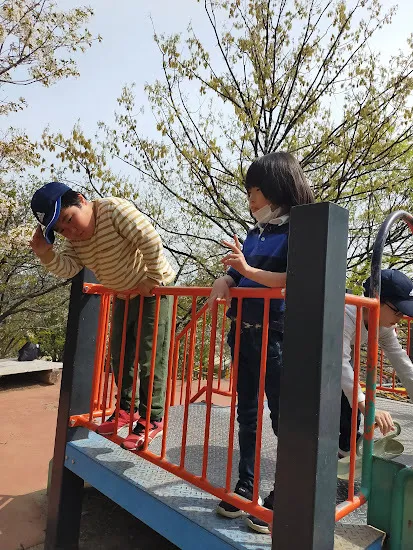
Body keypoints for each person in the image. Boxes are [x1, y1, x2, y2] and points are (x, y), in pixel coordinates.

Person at [208, 152, 314, 534]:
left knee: (282, 416)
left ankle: (283, 493)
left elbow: (289, 280)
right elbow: (242, 276)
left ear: (278, 189)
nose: (250, 200)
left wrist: (247, 271)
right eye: (249, 192)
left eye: (256, 191)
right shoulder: (255, 233)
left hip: (278, 335)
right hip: (245, 331)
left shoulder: (300, 232)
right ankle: (245, 484)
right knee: (247, 412)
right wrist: (227, 280)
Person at [29, 182, 175, 451]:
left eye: (69, 219)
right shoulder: (77, 242)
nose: (70, 231)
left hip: (154, 291)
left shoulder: (112, 209)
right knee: (119, 356)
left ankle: (152, 418)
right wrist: (45, 253)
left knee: (150, 355)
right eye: (61, 230)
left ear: (82, 200)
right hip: (123, 295)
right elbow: (69, 268)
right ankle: (126, 409)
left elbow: (150, 239)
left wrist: (152, 278)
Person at [339, 268, 413, 457]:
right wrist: (367, 406)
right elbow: (340, 364)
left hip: (336, 360)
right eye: (398, 311)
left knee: (350, 399)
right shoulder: (345, 314)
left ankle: (345, 449)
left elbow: (402, 363)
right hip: (305, 356)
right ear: (375, 300)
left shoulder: (383, 326)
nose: (401, 318)